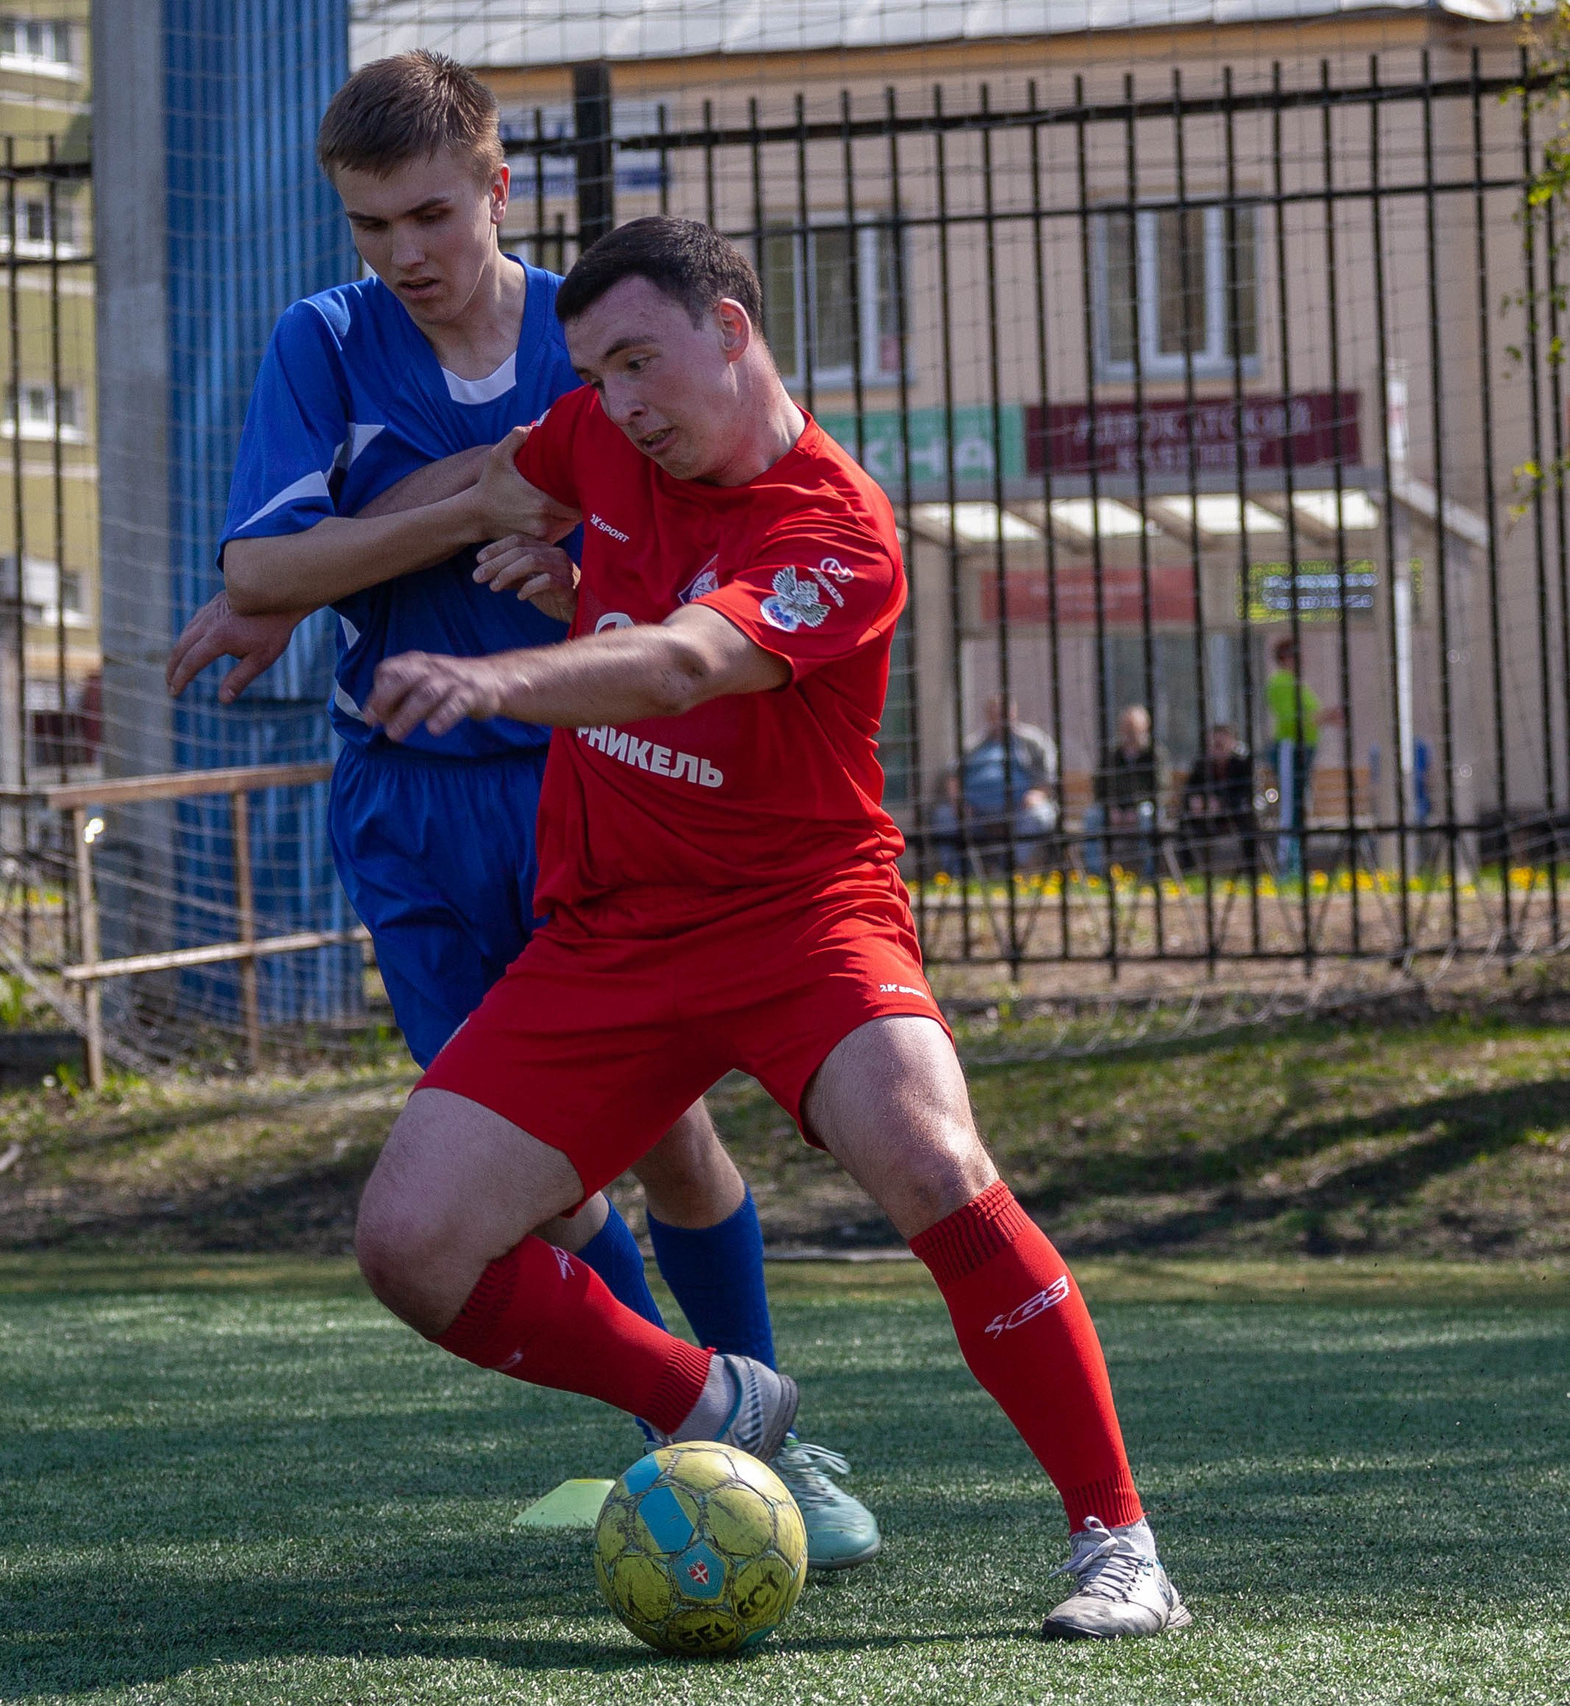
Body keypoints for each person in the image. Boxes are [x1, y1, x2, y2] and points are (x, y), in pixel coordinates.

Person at [353, 216, 1189, 1639]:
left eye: (640, 362)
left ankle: (1120, 1543)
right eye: (594, 370)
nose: (615, 401)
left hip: (805, 918)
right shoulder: (602, 438)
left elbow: (687, 664)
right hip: (612, 931)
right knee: (410, 1245)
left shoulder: (837, 527)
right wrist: (296, 579)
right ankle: (709, 1395)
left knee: (934, 1156)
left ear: (732, 330)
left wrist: (509, 681)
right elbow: (497, 481)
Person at [163, 52, 878, 1563]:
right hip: (406, 803)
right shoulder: (327, 341)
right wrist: (463, 514)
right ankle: (693, 1421)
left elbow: (690, 561)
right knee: (528, 1182)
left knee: (671, 1130)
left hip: (586, 783)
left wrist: (548, 579)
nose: (403, 256)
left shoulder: (593, 337)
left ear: (498, 184)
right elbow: (261, 571)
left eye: (429, 213)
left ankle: (777, 1442)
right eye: (368, 227)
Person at [930, 696, 1059, 874]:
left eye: (1005, 713)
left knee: (1038, 815)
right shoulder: (973, 744)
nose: (1000, 718)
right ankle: (957, 876)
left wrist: (1037, 794)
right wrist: (958, 803)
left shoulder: (1033, 741)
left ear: (1014, 713)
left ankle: (1014, 871)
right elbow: (953, 776)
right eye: (995, 713)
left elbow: (1049, 777)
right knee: (944, 816)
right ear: (988, 716)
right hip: (975, 814)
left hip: (1020, 809)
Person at [1265, 637, 1342, 877]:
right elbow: (1291, 720)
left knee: (1298, 805)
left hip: (1304, 750)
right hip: (1290, 749)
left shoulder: (1296, 683)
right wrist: (1325, 717)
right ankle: (1286, 866)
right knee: (1290, 806)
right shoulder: (1280, 682)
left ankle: (1294, 863)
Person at [1083, 705, 1164, 876]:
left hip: (1143, 808)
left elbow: (1161, 788)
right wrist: (1111, 808)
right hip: (1115, 810)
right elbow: (1100, 787)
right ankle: (1095, 874)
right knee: (1092, 816)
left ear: (1145, 728)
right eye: (1126, 727)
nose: (1130, 732)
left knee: (1147, 814)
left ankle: (1148, 874)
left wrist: (1134, 808)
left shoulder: (1154, 754)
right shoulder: (1112, 755)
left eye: (1134, 727)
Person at [1180, 724, 1258, 874]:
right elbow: (1189, 792)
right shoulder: (1202, 765)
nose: (1217, 748)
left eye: (1221, 744)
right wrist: (1197, 801)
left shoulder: (1242, 764)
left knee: (1249, 825)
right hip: (1207, 816)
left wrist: (1221, 803)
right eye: (1214, 744)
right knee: (1184, 824)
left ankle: (1249, 873)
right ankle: (1188, 872)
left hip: (1235, 815)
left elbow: (1246, 795)